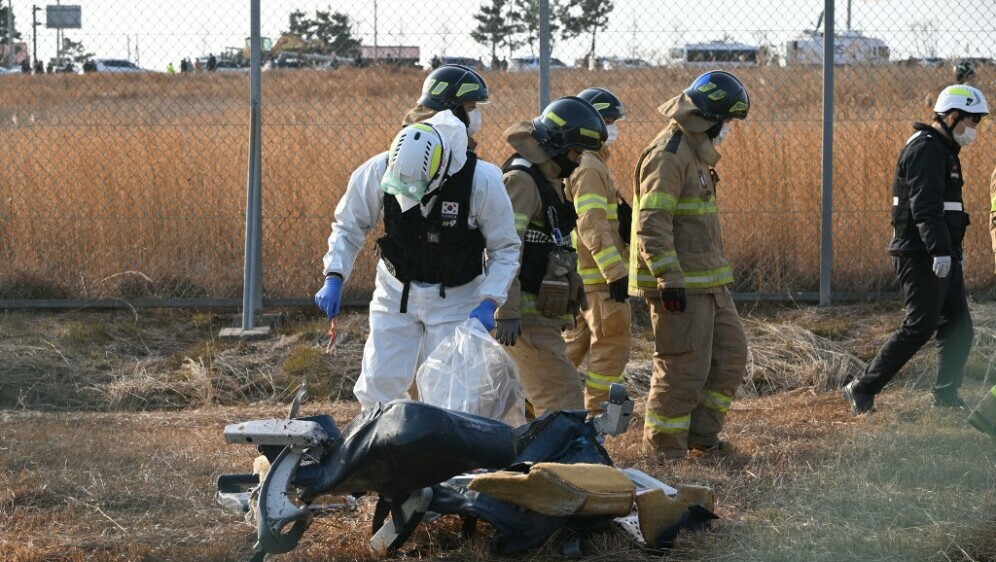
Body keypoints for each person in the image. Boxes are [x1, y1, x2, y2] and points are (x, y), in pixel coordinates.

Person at [316, 111, 520, 410]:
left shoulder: (481, 180)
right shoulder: (376, 169)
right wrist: (334, 275)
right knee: (378, 384)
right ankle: (385, 450)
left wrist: (490, 300)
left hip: (458, 299)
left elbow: (505, 248)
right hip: (396, 292)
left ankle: (448, 455)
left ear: (439, 174)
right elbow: (349, 227)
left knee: (455, 396)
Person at [843, 84, 989, 414]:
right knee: (920, 326)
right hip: (921, 254)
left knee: (959, 327)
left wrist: (952, 251)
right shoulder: (926, 149)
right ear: (953, 116)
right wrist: (939, 251)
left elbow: (947, 208)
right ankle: (862, 387)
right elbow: (925, 206)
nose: (976, 129)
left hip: (941, 254)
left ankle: (946, 397)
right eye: (973, 121)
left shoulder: (944, 148)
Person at [632, 70, 750, 460]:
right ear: (710, 118)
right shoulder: (669, 155)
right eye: (728, 121)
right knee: (683, 367)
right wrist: (669, 278)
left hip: (709, 284)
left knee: (730, 355)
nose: (728, 129)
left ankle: (702, 436)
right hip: (680, 286)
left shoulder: (695, 153)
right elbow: (652, 223)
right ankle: (664, 451)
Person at [493, 96, 607, 417]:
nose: (579, 160)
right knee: (564, 401)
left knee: (524, 407)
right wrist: (507, 312)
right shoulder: (522, 182)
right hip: (523, 322)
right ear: (557, 144)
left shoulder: (550, 180)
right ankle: (563, 466)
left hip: (538, 318)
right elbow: (504, 248)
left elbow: (545, 241)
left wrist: (572, 280)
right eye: (576, 151)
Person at [562, 87, 632, 414]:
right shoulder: (590, 165)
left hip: (583, 277)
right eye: (607, 120)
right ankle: (595, 422)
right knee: (610, 348)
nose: (612, 128)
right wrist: (615, 272)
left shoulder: (588, 161)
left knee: (567, 352)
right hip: (600, 282)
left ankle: (536, 410)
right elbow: (590, 221)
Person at [402, 64, 490, 149]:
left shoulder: (411, 140)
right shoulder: (445, 151)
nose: (476, 112)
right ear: (452, 111)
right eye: (471, 107)